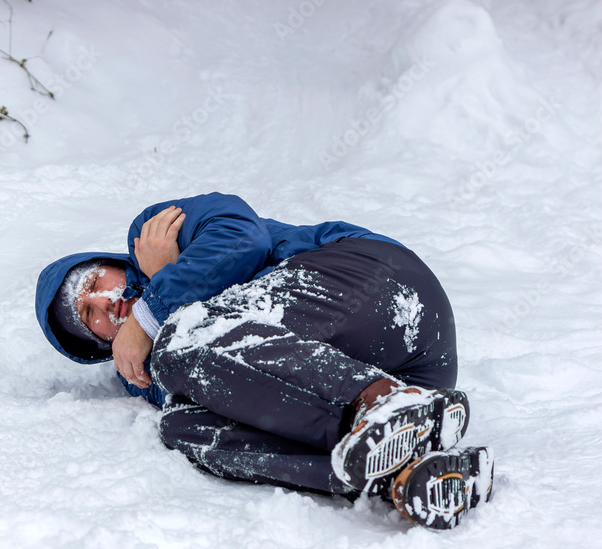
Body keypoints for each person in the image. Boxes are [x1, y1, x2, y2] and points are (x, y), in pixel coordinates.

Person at [35, 192, 493, 529]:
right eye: (89, 314)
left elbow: (242, 237)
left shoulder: (154, 230)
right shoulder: (147, 368)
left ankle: (378, 402)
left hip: (374, 282)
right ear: (99, 344)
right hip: (414, 379)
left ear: (109, 262)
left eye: (95, 281)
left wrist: (155, 303)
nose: (105, 300)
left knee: (182, 343)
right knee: (184, 426)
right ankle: (400, 472)